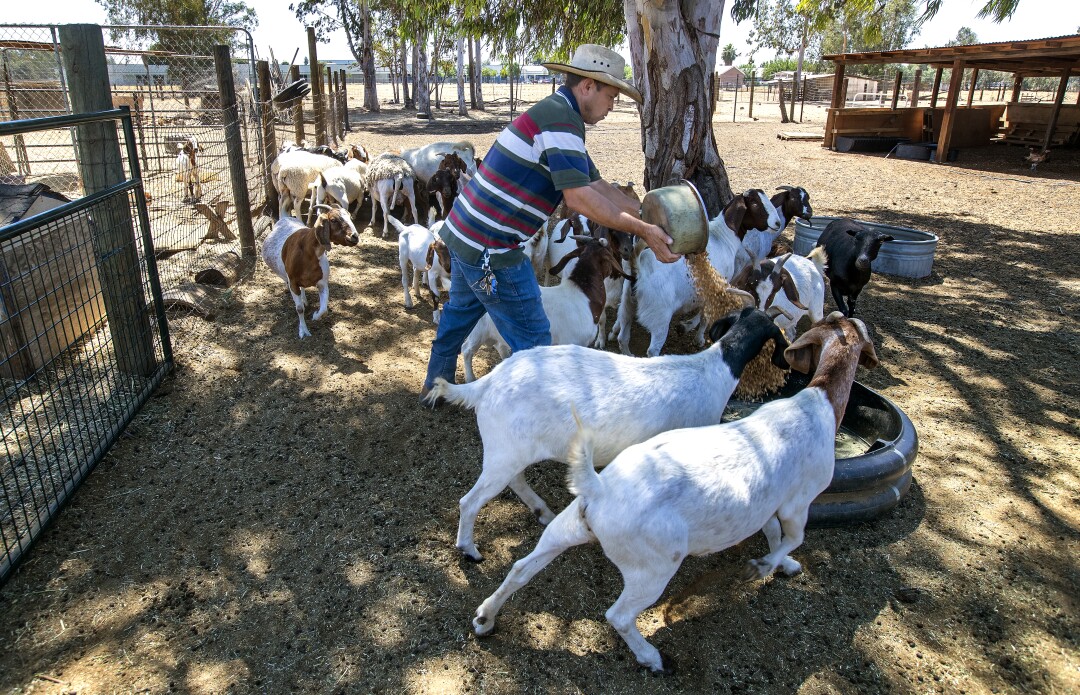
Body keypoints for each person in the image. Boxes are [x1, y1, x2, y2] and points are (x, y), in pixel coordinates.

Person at [420, 44, 681, 403]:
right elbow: (578, 199)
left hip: (466, 233)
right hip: (492, 246)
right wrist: (645, 232)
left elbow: (597, 185)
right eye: (611, 95)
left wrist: (645, 212)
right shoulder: (562, 121)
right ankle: (538, 414)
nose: (612, 105)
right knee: (534, 335)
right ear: (588, 86)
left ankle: (434, 389)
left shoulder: (560, 116)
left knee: (459, 316)